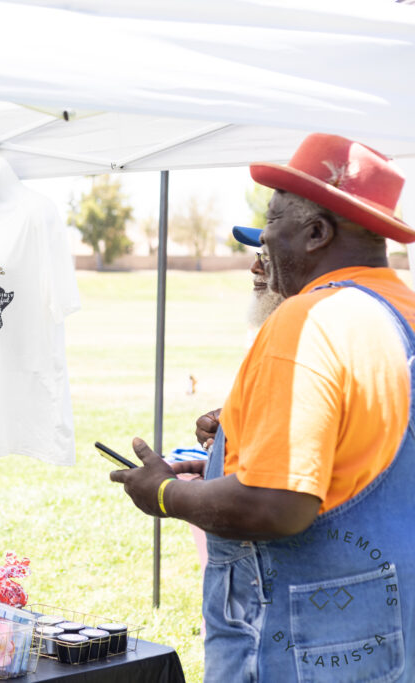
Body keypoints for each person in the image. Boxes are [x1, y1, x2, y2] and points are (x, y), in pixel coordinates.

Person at [112, 133, 415, 681]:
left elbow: (279, 505)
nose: (264, 238)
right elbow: (366, 454)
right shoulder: (403, 311)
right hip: (390, 630)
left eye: (272, 220)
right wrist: (226, 464)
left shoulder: (307, 320)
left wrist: (164, 492)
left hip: (300, 642)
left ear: (317, 233)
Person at [195, 231, 285, 449]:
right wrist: (230, 421)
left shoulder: (310, 336)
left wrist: (168, 486)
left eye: (267, 257)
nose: (255, 268)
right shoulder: (271, 330)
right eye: (258, 255)